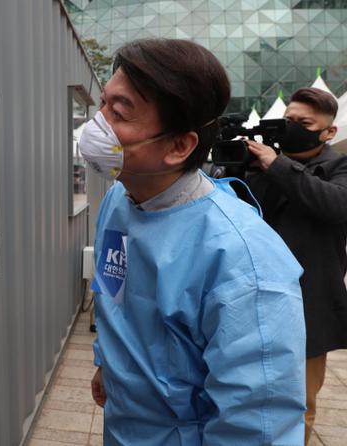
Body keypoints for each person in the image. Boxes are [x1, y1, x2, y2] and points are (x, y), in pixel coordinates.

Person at [80, 39, 306, 445]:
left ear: (179, 146)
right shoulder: (120, 197)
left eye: (119, 113)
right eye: (102, 104)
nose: (99, 124)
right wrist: (106, 363)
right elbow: (113, 291)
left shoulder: (245, 261)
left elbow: (257, 424)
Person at [245, 87, 347, 445]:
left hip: (309, 304)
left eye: (303, 123)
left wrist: (278, 165)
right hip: (250, 296)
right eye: (288, 120)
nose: (292, 127)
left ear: (328, 131)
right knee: (243, 392)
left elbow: (337, 205)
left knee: (298, 400)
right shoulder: (256, 162)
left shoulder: (339, 166)